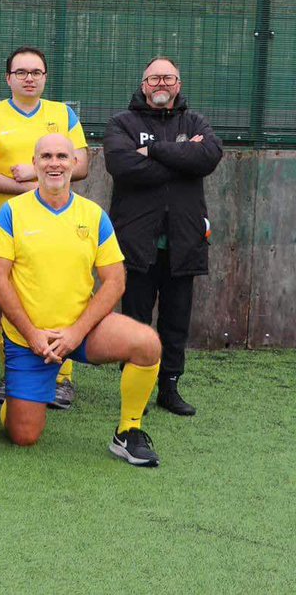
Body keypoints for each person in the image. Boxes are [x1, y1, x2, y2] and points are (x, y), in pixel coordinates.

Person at [0, 134, 163, 467]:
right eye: (47, 156)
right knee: (23, 436)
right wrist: (33, 335)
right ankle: (20, 398)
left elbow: (115, 280)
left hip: (81, 330)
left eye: (63, 157)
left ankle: (129, 431)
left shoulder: (93, 215)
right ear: (35, 163)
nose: (55, 163)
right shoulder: (12, 212)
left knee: (147, 343)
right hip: (28, 339)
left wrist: (76, 333)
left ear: (75, 164)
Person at [104, 57, 223, 416]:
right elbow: (122, 165)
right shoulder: (122, 123)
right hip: (136, 241)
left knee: (175, 320)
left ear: (178, 84)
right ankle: (134, 387)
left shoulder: (195, 121)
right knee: (135, 318)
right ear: (143, 86)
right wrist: (182, 158)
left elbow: (208, 156)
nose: (161, 84)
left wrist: (153, 150)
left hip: (184, 241)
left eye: (168, 78)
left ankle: (169, 387)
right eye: (154, 78)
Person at [0, 46, 88, 409]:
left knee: (62, 295)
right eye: (21, 72)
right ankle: (15, 374)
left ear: (45, 77)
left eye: (36, 72)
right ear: (8, 78)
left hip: (60, 227)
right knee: (8, 301)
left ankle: (62, 379)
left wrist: (36, 176)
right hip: (9, 228)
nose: (29, 78)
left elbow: (81, 166)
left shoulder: (63, 113)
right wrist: (33, 186)